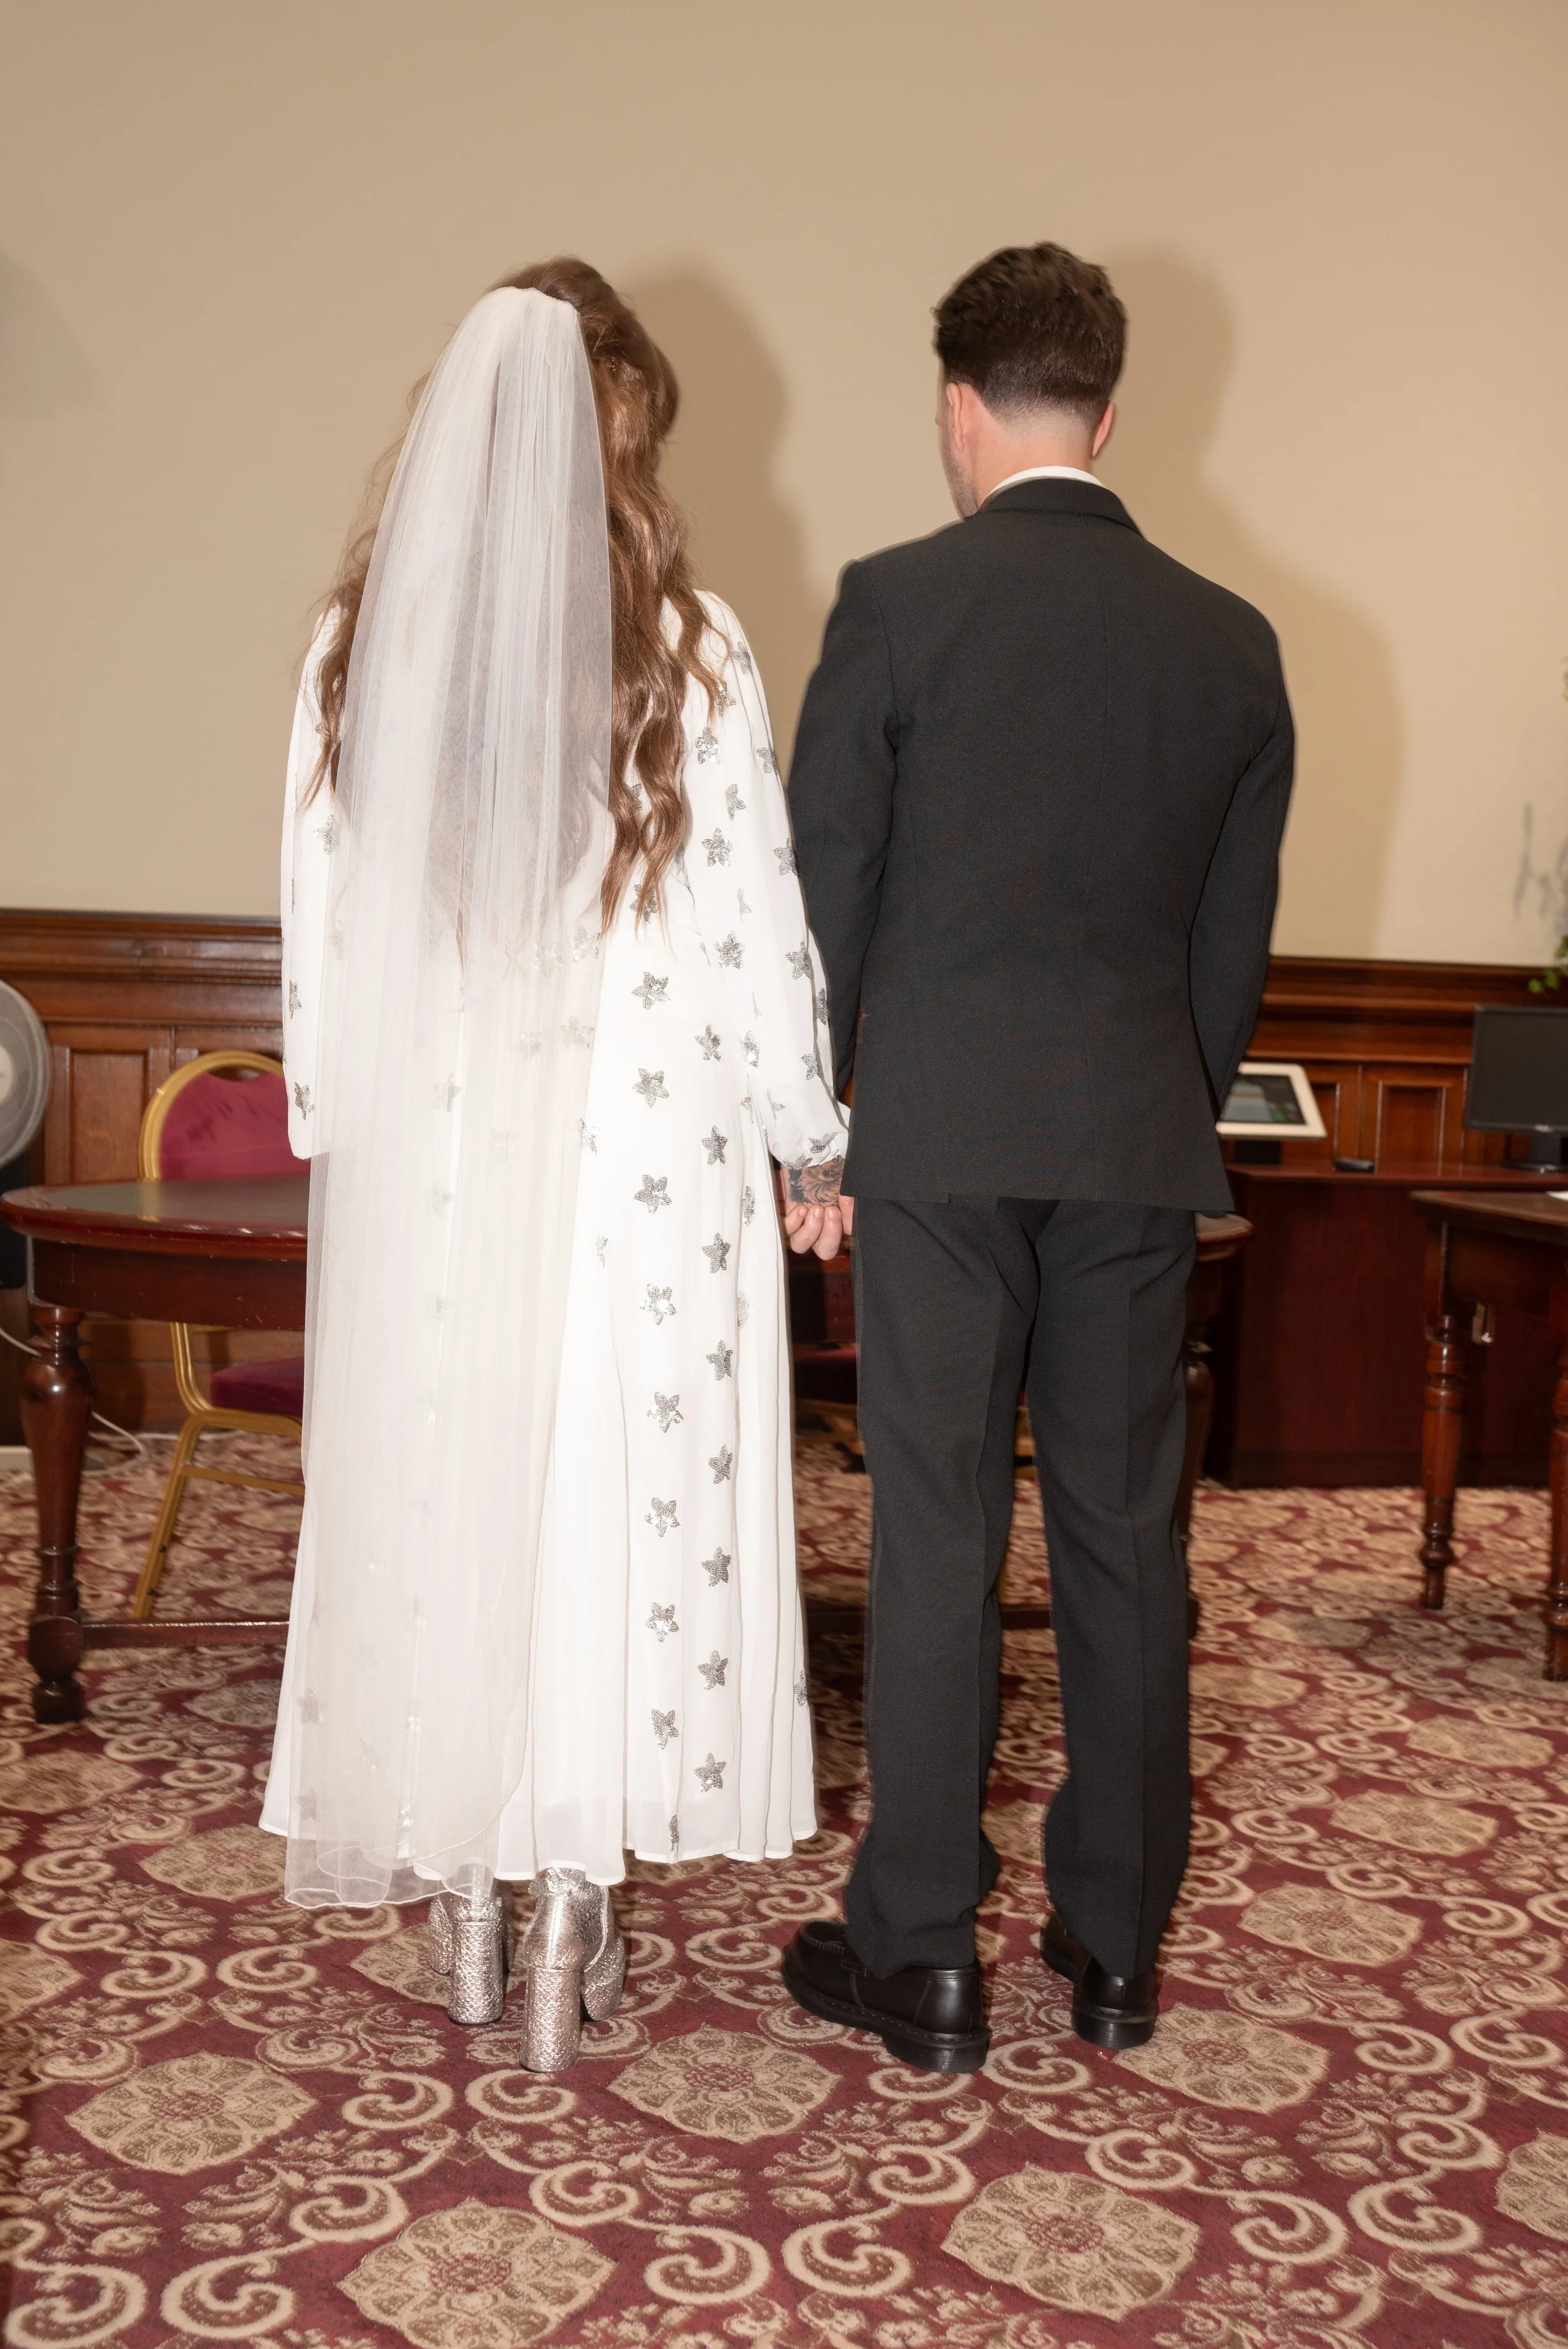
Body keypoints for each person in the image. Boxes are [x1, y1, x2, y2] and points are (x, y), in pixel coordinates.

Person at [261, 261, 848, 2072]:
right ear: (630, 434)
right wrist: (804, 1131)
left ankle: (471, 1902)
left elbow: (320, 918)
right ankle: (577, 1895)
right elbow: (756, 915)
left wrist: (333, 1121)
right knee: (620, 1501)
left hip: (446, 1164)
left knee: (466, 1502)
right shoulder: (697, 645)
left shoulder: (364, 644)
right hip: (649, 1174)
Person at [781, 243, 1293, 2074]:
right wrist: (1156, 1105)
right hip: (1133, 1146)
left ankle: (918, 1955)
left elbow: (822, 894)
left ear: (956, 405)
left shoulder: (896, 603)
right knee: (1120, 1536)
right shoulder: (1228, 640)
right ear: (1108, 407)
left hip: (927, 1135)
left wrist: (809, 1131)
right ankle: (1116, 1949)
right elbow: (1224, 955)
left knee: (935, 1523)